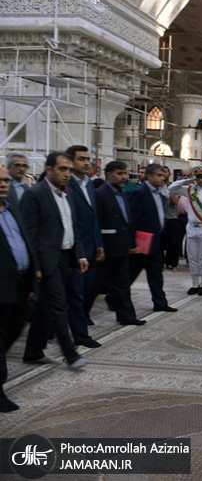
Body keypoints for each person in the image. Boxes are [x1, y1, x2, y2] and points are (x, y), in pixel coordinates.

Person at [22, 151, 89, 371]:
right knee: (60, 306)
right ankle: (71, 355)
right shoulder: (35, 194)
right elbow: (29, 235)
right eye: (62, 169)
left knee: (45, 308)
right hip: (46, 260)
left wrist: (78, 254)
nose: (67, 174)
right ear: (48, 169)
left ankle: (33, 351)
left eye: (69, 170)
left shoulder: (66, 194)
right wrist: (36, 267)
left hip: (64, 257)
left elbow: (72, 227)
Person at [0, 166, 36, 412]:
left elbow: (26, 245)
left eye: (5, 180)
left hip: (21, 285)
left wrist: (32, 281)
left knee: (12, 332)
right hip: (1, 287)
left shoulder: (13, 210)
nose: (4, 184)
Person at [94, 161, 145, 326]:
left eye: (125, 173)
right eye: (119, 173)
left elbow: (126, 221)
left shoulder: (123, 193)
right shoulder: (100, 194)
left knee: (123, 285)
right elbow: (96, 223)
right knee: (94, 286)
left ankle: (126, 316)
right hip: (106, 248)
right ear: (108, 174)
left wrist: (131, 244)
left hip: (122, 248)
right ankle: (81, 316)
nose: (124, 177)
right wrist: (99, 246)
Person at [64, 145, 104, 348]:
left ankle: (48, 331)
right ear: (70, 162)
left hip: (90, 247)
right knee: (76, 294)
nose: (87, 163)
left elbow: (93, 217)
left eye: (88, 159)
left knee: (87, 289)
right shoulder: (66, 184)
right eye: (81, 159)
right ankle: (80, 335)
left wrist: (98, 243)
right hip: (73, 250)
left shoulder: (89, 184)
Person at [128, 163, 177, 312]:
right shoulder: (140, 193)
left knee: (156, 274)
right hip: (142, 242)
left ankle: (160, 303)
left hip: (156, 241)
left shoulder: (160, 192)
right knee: (131, 273)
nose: (163, 178)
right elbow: (133, 219)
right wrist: (132, 243)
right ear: (149, 176)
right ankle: (113, 296)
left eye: (163, 175)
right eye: (159, 175)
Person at [168, 166, 202, 295]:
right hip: (191, 227)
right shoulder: (190, 190)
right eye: (198, 177)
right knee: (192, 257)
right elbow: (171, 188)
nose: (201, 180)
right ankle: (194, 284)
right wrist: (187, 180)